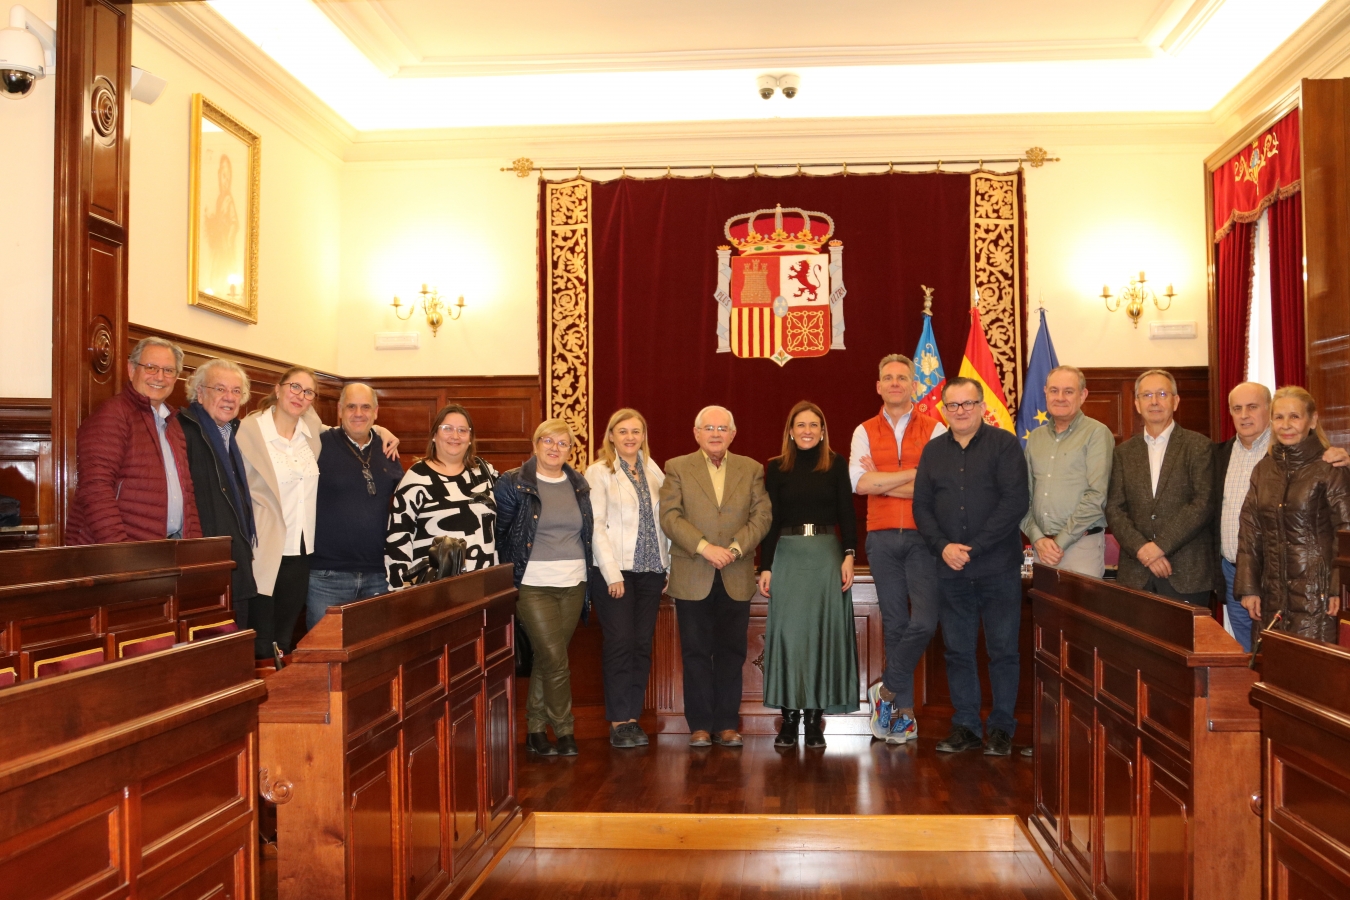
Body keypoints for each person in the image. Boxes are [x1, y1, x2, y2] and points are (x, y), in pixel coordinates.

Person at [912, 377, 1029, 757]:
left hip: (998, 567)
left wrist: (973, 548)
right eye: (953, 405)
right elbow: (922, 508)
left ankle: (1001, 729)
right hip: (950, 569)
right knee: (958, 651)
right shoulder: (932, 452)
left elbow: (1014, 503)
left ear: (982, 407)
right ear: (943, 410)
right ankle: (965, 725)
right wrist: (944, 547)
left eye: (968, 403)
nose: (960, 411)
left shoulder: (1005, 445)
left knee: (1003, 651)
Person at [659, 405, 773, 750]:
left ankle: (725, 724)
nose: (715, 433)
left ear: (733, 434)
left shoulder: (752, 468)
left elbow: (762, 515)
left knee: (731, 652)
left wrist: (736, 550)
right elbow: (670, 516)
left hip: (736, 573)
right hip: (693, 571)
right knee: (695, 653)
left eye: (722, 428)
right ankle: (699, 726)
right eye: (708, 427)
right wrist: (705, 547)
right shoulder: (677, 467)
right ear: (696, 433)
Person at [850, 353, 947, 745]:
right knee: (895, 624)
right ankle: (902, 715)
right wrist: (914, 475)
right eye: (887, 377)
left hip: (925, 537)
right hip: (882, 537)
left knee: (924, 620)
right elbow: (859, 483)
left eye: (901, 377)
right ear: (878, 385)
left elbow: (938, 487)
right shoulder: (863, 429)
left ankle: (885, 690)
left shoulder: (935, 428)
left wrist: (883, 480)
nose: (894, 383)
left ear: (913, 385)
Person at [1216, 382, 1350, 650]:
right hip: (1272, 593)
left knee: (1313, 670)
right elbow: (1250, 532)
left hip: (1318, 593)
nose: (1286, 424)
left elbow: (1344, 531)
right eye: (1279, 417)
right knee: (1272, 669)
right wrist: (1249, 588)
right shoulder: (1263, 469)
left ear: (1312, 421)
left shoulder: (1329, 468)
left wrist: (1338, 588)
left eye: (1295, 416)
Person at [759, 401, 858, 749]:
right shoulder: (774, 468)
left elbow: (847, 511)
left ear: (822, 431)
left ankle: (814, 720)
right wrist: (766, 565)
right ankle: (789, 719)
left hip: (825, 557)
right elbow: (768, 520)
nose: (807, 431)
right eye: (800, 425)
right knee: (789, 638)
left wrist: (849, 554)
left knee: (820, 637)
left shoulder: (836, 464)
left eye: (814, 425)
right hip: (787, 556)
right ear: (790, 430)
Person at [495, 419, 594, 758]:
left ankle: (535, 730)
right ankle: (565, 729)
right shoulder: (513, 483)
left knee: (546, 658)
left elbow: (587, 533)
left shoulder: (578, 483)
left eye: (562, 443)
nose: (555, 448)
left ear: (571, 449)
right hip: (532, 583)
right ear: (535, 444)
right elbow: (501, 533)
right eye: (547, 441)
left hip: (574, 583)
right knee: (555, 657)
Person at [585, 409, 670, 749]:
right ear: (611, 436)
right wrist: (611, 573)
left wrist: (667, 567)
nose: (630, 437)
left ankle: (633, 718)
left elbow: (664, 523)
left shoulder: (653, 470)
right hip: (615, 573)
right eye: (623, 432)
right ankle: (619, 721)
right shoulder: (599, 472)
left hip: (650, 571)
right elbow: (596, 526)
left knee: (640, 645)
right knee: (620, 644)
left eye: (636, 431)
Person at [68, 336, 202, 545]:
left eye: (168, 371)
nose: (159, 377)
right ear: (131, 370)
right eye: (150, 367)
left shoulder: (173, 424)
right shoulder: (113, 415)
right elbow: (96, 489)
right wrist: (122, 553)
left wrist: (194, 549)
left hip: (166, 551)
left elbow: (188, 494)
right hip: (122, 556)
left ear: (176, 378)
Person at [1105, 369, 1215, 605]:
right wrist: (1143, 550)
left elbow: (1203, 504)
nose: (1154, 401)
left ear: (1175, 401)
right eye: (1146, 395)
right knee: (1135, 643)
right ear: (1136, 404)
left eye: (1162, 394)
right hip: (1136, 574)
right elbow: (1115, 509)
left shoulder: (1199, 446)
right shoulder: (1124, 452)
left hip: (1186, 575)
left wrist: (1160, 547)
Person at [236, 367, 323, 660]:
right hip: (264, 550)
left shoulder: (311, 433)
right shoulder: (249, 431)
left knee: (284, 639)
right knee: (259, 640)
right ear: (278, 388)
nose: (300, 395)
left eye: (308, 392)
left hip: (300, 550)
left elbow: (351, 429)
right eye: (294, 387)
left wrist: (382, 431)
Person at [305, 384, 404, 628]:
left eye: (365, 407)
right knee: (323, 657)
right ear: (339, 410)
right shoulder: (319, 445)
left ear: (376, 411)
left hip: (379, 575)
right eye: (351, 406)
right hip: (327, 576)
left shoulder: (387, 449)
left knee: (375, 657)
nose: (358, 413)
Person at [178, 358, 257, 630]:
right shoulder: (183, 431)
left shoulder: (232, 433)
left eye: (236, 391)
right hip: (204, 568)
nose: (229, 398)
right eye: (220, 389)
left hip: (235, 560)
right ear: (199, 392)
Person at [385, 403, 499, 588]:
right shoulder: (416, 477)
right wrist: (400, 591)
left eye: (462, 430)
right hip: (433, 589)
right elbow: (398, 539)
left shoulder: (484, 471)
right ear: (434, 436)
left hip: (483, 584)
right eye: (447, 429)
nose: (455, 436)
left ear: (470, 438)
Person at [1021, 365, 1114, 578]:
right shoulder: (1035, 438)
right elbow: (1024, 494)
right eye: (1054, 390)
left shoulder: (1097, 434)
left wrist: (1059, 542)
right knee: (1043, 612)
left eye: (1068, 391)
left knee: (1079, 612)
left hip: (1081, 546)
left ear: (1083, 395)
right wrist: (1037, 538)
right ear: (1045, 392)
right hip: (1041, 549)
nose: (1060, 397)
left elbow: (1096, 496)